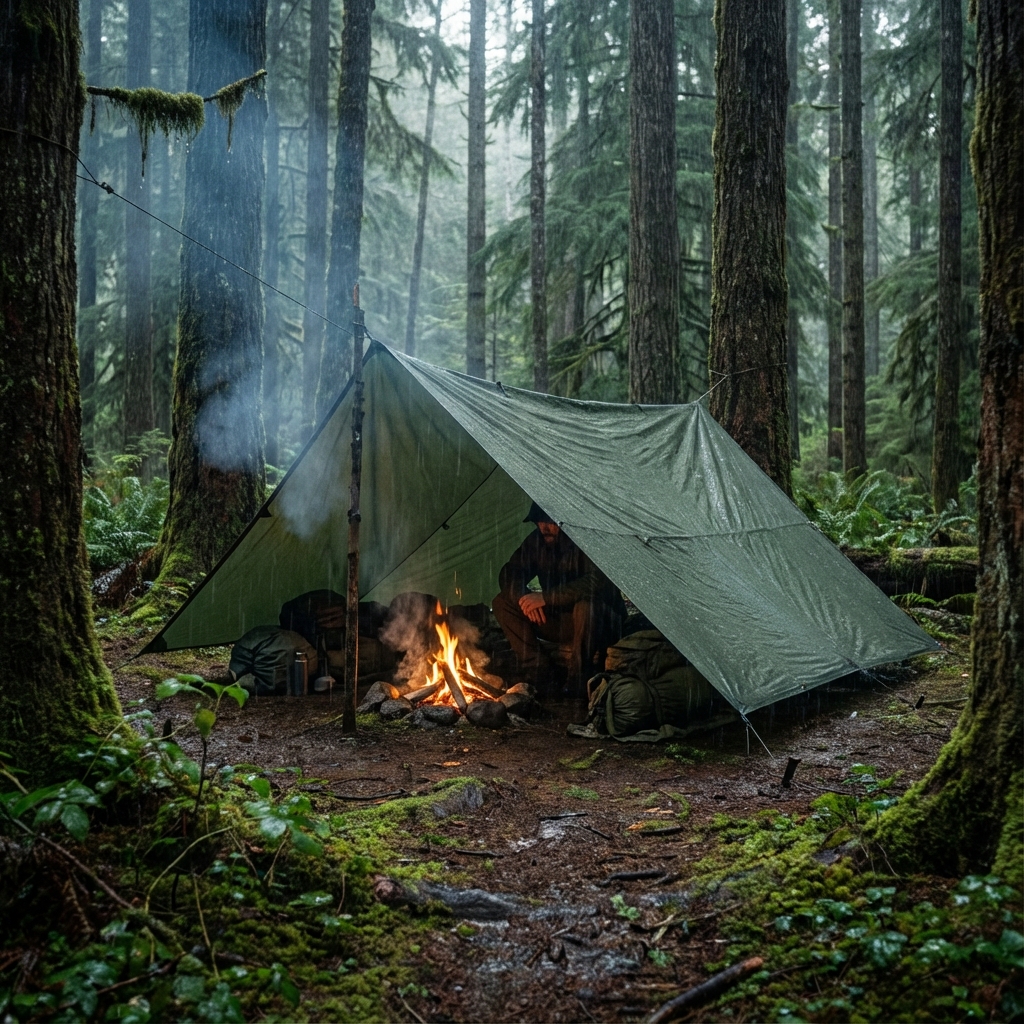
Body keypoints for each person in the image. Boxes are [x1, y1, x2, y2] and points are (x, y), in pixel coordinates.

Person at [492, 502, 625, 693]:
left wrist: (547, 598)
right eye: (538, 522)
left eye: (549, 522)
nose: (543, 527)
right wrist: (524, 597)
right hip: (560, 621)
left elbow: (596, 581)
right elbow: (510, 573)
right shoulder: (536, 542)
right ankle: (540, 672)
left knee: (586, 606)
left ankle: (578, 681)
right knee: (502, 602)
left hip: (601, 623)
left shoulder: (587, 541)